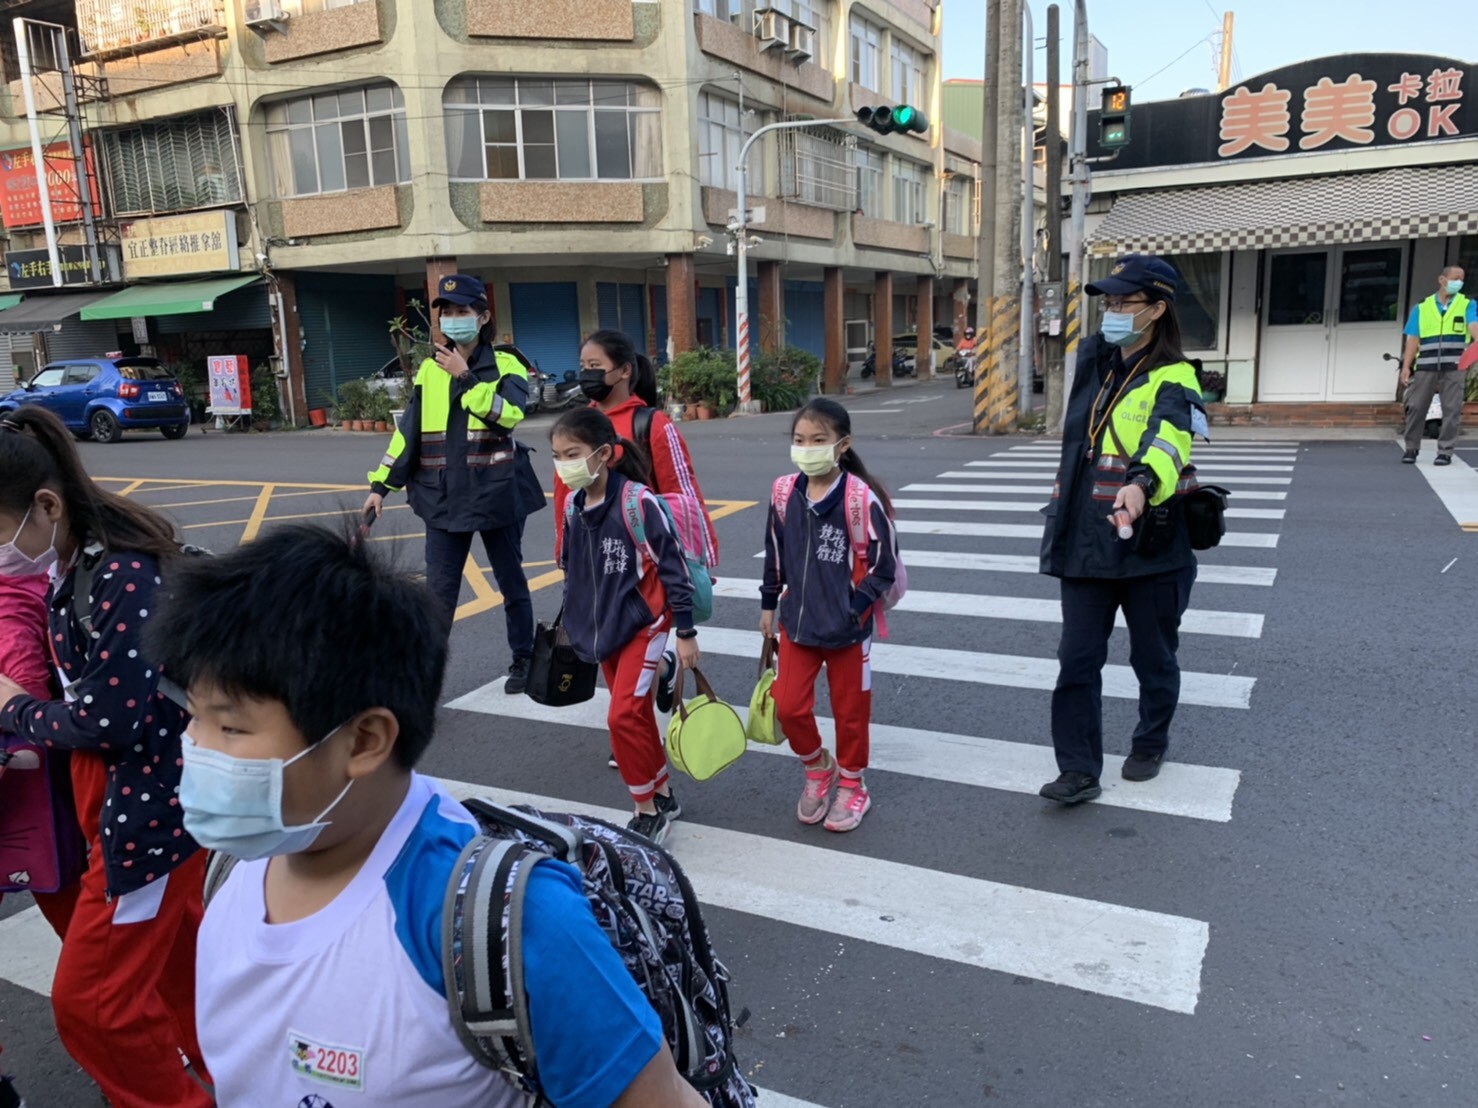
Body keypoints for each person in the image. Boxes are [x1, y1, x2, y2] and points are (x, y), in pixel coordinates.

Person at [142, 523, 704, 1108]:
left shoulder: (513, 925)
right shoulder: (234, 864)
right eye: (195, 717)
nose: (195, 747)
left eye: (230, 727)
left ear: (364, 741)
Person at [0, 408, 210, 1108]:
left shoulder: (119, 571)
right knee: (184, 977)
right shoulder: (72, 565)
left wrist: (14, 710)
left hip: (147, 819)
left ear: (47, 506)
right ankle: (225, 1082)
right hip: (136, 805)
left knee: (92, 1004)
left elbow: (108, 719)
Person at [1038, 254, 1205, 805]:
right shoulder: (1096, 361)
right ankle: (1079, 769)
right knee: (1076, 662)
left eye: (1123, 302)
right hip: (1086, 541)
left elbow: (1169, 439)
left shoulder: (1175, 376)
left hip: (1149, 543)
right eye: (1107, 302)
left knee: (1152, 657)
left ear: (1157, 309)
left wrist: (1140, 484)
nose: (1110, 311)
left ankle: (1150, 741)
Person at [365, 274, 545, 693]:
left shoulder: (507, 364)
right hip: (442, 497)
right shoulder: (429, 371)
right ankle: (424, 680)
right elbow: (409, 432)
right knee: (439, 596)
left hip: (497, 491)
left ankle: (523, 656)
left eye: (462, 311)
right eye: (446, 312)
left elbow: (509, 415)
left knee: (511, 582)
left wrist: (466, 377)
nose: (452, 319)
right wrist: (381, 485)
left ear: (482, 317)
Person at [552, 407, 699, 844]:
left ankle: (646, 809)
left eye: (572, 453)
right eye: (558, 455)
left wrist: (686, 631)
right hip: (604, 628)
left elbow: (674, 569)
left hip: (644, 624)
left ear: (604, 454)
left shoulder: (637, 501)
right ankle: (664, 793)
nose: (564, 463)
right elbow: (571, 570)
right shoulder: (573, 506)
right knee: (632, 715)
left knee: (621, 716)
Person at [759, 399, 898, 834]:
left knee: (850, 712)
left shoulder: (859, 499)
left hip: (848, 631)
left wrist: (853, 609)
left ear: (842, 445)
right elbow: (775, 553)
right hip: (797, 625)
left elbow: (883, 566)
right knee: (788, 706)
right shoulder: (784, 493)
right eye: (800, 440)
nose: (807, 448)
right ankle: (818, 767)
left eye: (818, 440)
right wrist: (768, 604)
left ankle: (853, 784)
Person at [1399, 265, 1475, 466]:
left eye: (1462, 278)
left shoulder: (1467, 304)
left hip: (1455, 366)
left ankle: (1445, 451)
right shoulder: (1422, 307)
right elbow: (1413, 339)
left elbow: (1474, 327)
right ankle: (1411, 447)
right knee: (1416, 406)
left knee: (1451, 408)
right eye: (1455, 277)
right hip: (1425, 364)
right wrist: (1407, 366)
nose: (1459, 281)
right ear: (1442, 280)